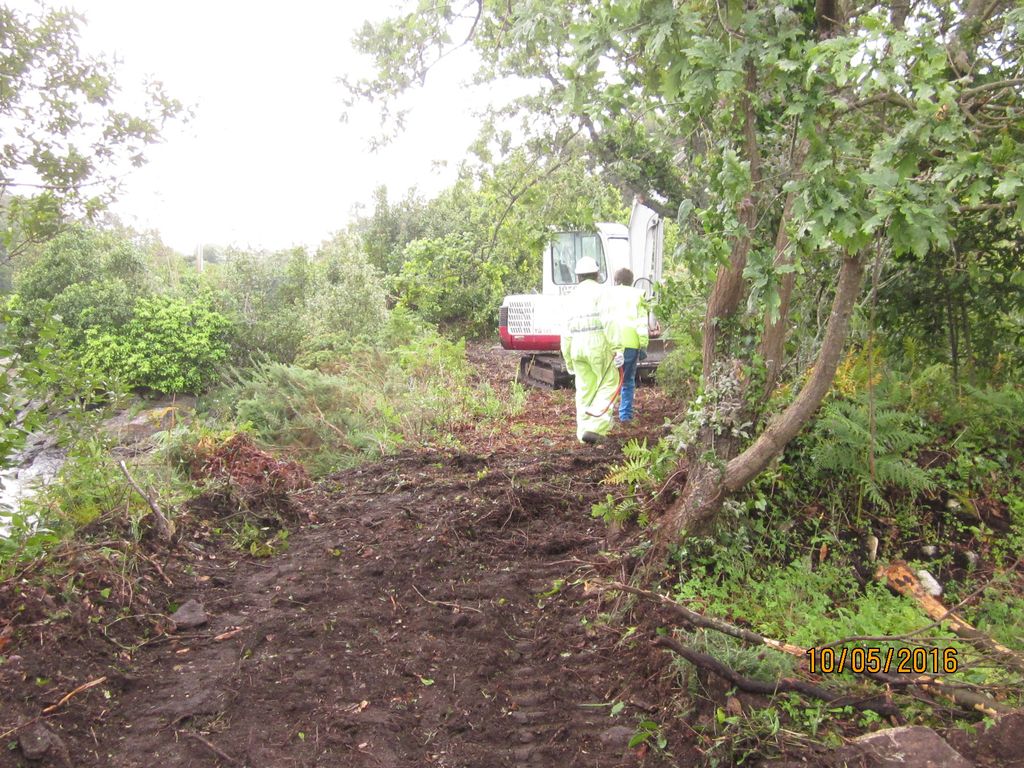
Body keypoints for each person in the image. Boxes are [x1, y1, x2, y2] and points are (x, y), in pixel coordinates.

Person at [560, 256, 623, 444]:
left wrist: (569, 359)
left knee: (585, 390)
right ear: (597, 274)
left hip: (577, 347)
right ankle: (595, 428)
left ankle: (583, 434)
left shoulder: (570, 298)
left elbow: (565, 332)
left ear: (578, 276)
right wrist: (618, 349)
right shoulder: (602, 293)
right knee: (608, 385)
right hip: (599, 346)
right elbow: (610, 322)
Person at [604, 268, 649, 422]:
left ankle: (606, 417)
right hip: (631, 344)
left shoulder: (607, 295)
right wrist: (643, 345)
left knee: (609, 381)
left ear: (616, 281)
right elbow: (642, 324)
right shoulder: (638, 295)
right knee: (627, 381)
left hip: (610, 343)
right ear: (631, 282)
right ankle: (625, 417)